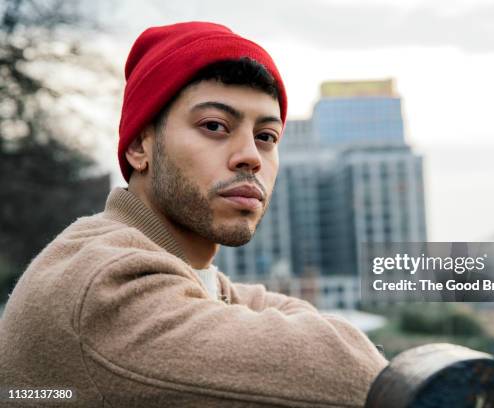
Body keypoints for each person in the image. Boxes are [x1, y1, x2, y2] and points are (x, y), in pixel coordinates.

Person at [0, 21, 387, 407]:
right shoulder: (102, 281)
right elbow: (346, 374)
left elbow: (269, 309)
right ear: (139, 146)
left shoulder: (191, 278)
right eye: (215, 126)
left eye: (266, 136)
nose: (251, 156)